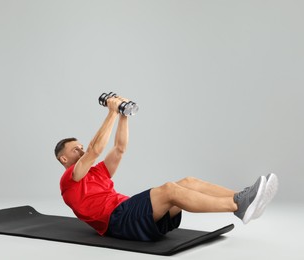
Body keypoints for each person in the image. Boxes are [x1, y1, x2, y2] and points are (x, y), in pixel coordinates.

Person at [55, 95, 278, 241]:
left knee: (188, 182)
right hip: (118, 221)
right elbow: (95, 149)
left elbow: (120, 148)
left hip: (133, 214)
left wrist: (123, 115)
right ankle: (237, 205)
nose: (82, 150)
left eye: (81, 146)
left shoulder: (96, 172)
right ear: (64, 159)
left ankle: (241, 197)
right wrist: (111, 112)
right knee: (170, 189)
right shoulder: (69, 179)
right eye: (76, 149)